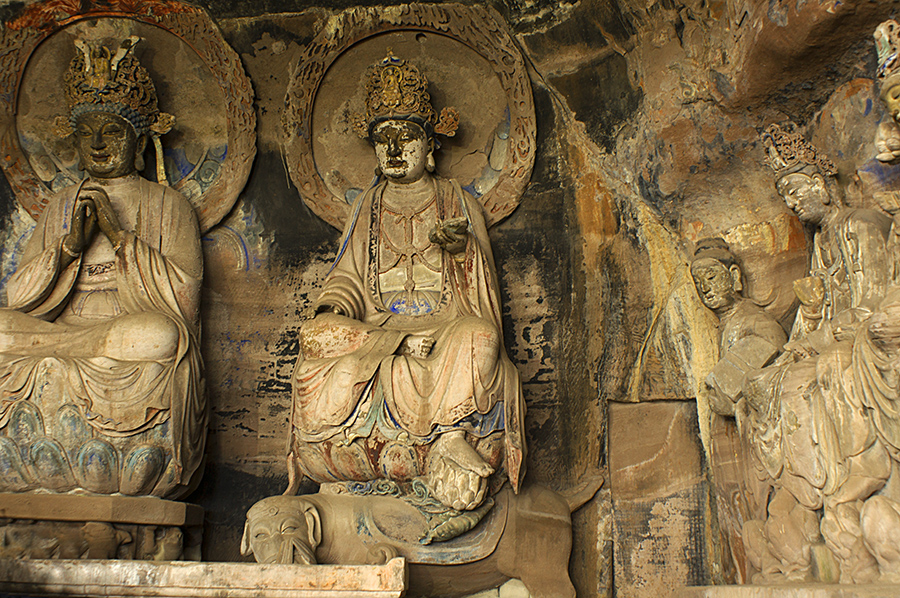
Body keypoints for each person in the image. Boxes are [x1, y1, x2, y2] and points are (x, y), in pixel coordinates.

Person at [290, 53, 524, 512]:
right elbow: (347, 278)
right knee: (314, 338)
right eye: (384, 139)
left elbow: (483, 296)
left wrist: (462, 252)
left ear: (430, 145)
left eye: (406, 137)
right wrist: (336, 309)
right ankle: (421, 440)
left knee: (480, 337)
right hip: (379, 333)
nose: (394, 149)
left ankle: (451, 436)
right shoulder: (366, 207)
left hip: (443, 333)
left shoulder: (457, 200)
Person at [0, 37, 204, 499]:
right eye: (86, 133)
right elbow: (18, 297)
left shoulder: (168, 205)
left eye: (111, 132)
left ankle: (75, 361)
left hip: (124, 334)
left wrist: (119, 236)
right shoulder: (59, 205)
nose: (96, 143)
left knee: (159, 336)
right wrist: (68, 248)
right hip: (60, 332)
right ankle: (69, 355)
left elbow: (185, 301)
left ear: (139, 142)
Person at [742, 124, 894, 582]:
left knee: (817, 373)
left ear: (822, 184)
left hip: (860, 342)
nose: (792, 202)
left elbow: (871, 302)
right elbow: (817, 313)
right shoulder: (822, 243)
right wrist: (806, 320)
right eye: (784, 195)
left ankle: (840, 485)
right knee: (764, 384)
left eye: (796, 189)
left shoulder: (860, 224)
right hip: (831, 338)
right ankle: (806, 500)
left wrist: (815, 338)